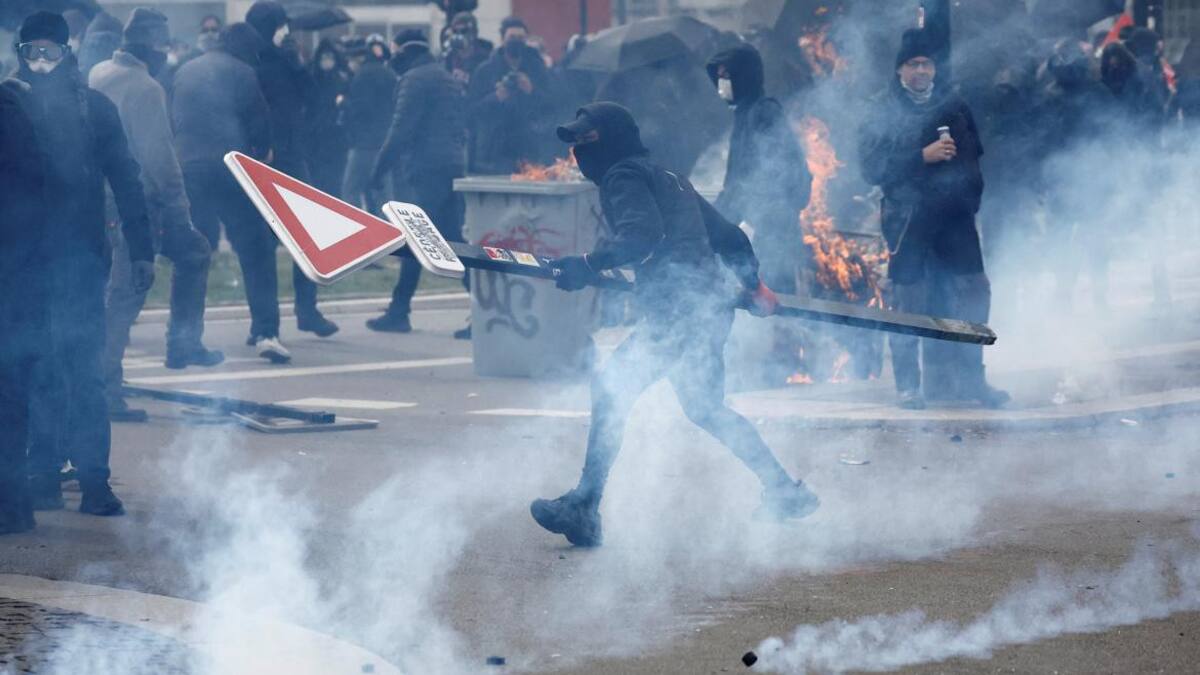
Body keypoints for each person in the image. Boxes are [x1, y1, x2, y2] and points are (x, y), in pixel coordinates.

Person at [530, 103, 820, 547]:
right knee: (705, 407)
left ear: (610, 140)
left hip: (678, 313)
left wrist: (588, 265)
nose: (577, 153)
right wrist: (753, 285)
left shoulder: (622, 176)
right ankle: (784, 492)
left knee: (612, 389)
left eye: (585, 142)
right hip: (708, 308)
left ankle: (584, 508)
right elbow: (733, 238)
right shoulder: (668, 178)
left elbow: (639, 238)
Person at [15, 11, 155, 516]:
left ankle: (93, 479)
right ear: (20, 51)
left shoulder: (94, 109)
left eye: (50, 50)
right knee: (40, 368)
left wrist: (141, 248)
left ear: (67, 50)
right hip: (27, 265)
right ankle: (47, 474)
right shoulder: (13, 108)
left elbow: (127, 179)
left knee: (80, 370)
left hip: (76, 262)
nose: (41, 60)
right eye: (33, 50)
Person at [858, 29, 1009, 410]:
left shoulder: (953, 104)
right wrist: (919, 157)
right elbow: (871, 168)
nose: (921, 71)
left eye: (926, 63)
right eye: (913, 64)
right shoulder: (881, 109)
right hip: (909, 219)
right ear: (899, 70)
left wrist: (971, 198)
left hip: (955, 218)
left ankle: (973, 379)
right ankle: (908, 385)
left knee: (974, 292)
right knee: (909, 299)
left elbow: (974, 153)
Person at [90, 8, 224, 422]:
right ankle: (107, 388)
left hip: (98, 197)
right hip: (135, 204)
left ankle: (177, 346)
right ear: (152, 46)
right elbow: (160, 159)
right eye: (163, 44)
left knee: (184, 259)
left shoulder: (99, 72)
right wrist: (179, 214)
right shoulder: (146, 88)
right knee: (125, 293)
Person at [174, 23, 290, 363]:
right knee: (257, 250)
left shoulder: (186, 69)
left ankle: (184, 336)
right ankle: (265, 330)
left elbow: (174, 120)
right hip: (232, 171)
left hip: (190, 171)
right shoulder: (243, 72)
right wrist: (264, 153)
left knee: (196, 254)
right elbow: (259, 125)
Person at [246, 0, 339, 341]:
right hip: (269, 159)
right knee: (267, 245)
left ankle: (301, 311)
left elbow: (315, 99)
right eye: (280, 25)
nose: (285, 31)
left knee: (301, 238)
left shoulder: (280, 60)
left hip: (286, 157)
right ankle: (268, 322)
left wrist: (297, 62)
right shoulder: (254, 62)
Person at [366, 31, 468, 335]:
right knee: (450, 241)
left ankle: (399, 311)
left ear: (405, 52)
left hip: (426, 169)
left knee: (415, 237)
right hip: (450, 166)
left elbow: (400, 131)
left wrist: (376, 171)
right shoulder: (446, 77)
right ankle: (490, 307)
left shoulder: (414, 80)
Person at [706, 42, 811, 294]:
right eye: (719, 77)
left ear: (744, 75)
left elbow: (784, 173)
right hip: (755, 230)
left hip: (774, 233)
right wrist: (713, 222)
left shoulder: (765, 112)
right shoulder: (744, 113)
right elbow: (735, 183)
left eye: (727, 76)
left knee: (776, 306)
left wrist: (757, 216)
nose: (722, 83)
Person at [0, 78, 46, 535]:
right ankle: (14, 506)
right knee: (12, 400)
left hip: (11, 281)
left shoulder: (10, 112)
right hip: (20, 282)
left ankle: (11, 506)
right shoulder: (20, 111)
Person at [467, 16, 555, 173]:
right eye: (512, 37)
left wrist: (531, 91)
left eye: (521, 37)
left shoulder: (537, 68)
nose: (516, 41)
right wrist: (495, 98)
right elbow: (471, 110)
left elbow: (552, 104)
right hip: (496, 149)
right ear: (502, 39)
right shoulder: (485, 70)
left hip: (529, 147)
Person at [341, 34, 396, 212]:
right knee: (383, 194)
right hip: (384, 142)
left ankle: (356, 231)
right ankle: (389, 231)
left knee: (351, 190)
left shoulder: (361, 76)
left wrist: (343, 103)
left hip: (363, 144)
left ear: (359, 58)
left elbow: (358, 110)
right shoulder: (389, 74)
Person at [305, 39, 350, 199]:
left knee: (333, 179)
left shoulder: (342, 77)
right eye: (324, 57)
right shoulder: (312, 77)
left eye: (329, 56)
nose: (326, 60)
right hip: (318, 136)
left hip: (333, 136)